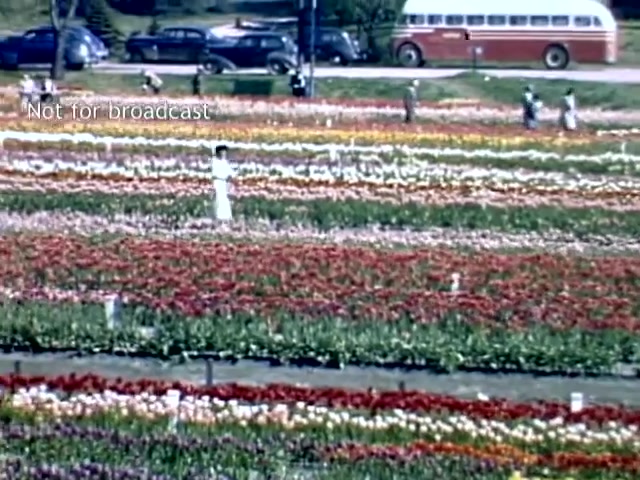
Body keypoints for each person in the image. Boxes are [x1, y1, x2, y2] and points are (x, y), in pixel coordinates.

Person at [211, 144, 234, 222]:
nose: (224, 154)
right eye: (222, 152)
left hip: (224, 183)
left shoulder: (225, 162)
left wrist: (229, 180)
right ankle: (218, 217)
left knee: (225, 200)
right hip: (218, 182)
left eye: (225, 152)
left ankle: (225, 217)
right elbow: (214, 174)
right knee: (218, 199)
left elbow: (230, 174)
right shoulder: (214, 162)